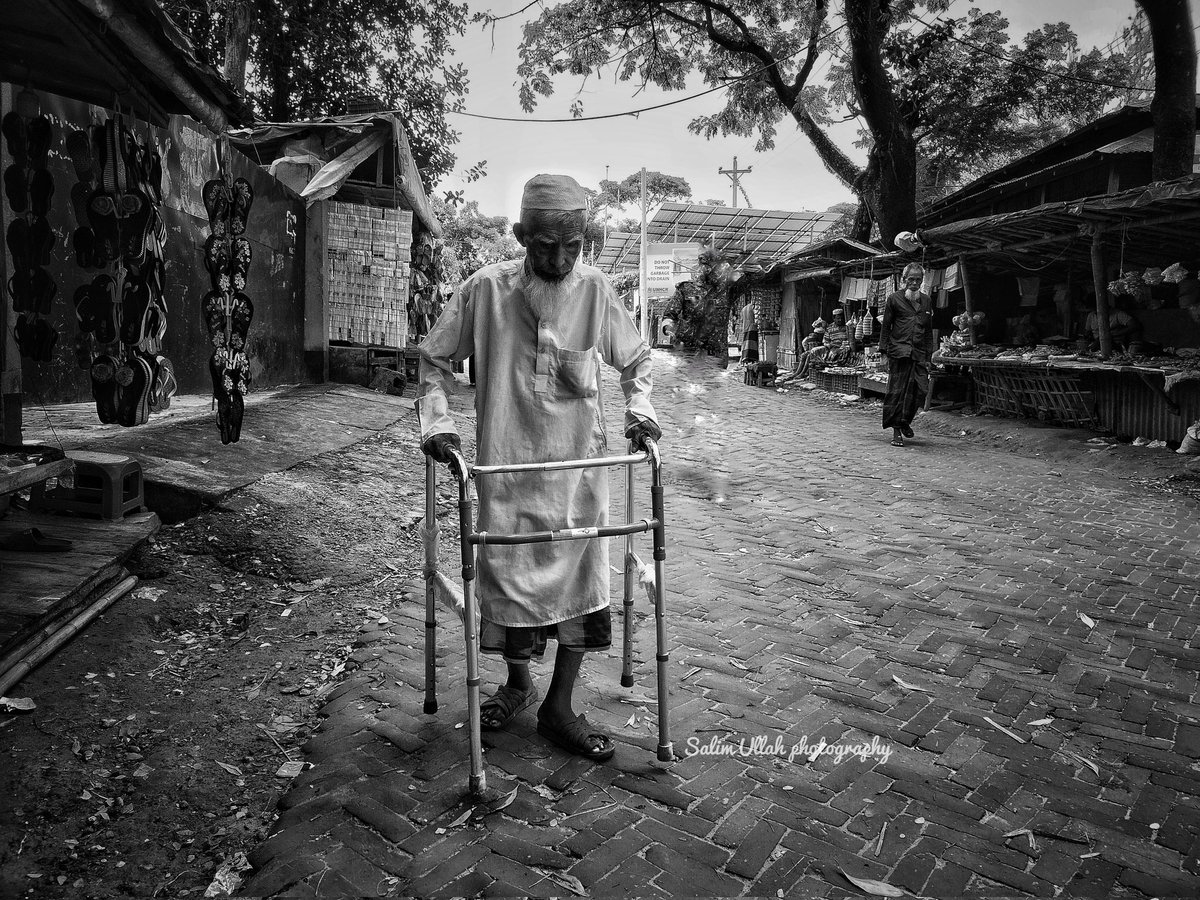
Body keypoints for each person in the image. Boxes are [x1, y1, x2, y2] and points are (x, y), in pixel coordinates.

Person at [417, 174, 661, 762]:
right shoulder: (486, 291)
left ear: (585, 240)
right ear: (522, 235)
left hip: (577, 476)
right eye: (544, 245)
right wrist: (438, 421)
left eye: (571, 247)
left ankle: (560, 703)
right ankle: (519, 684)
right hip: (506, 470)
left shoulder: (597, 291)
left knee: (583, 582)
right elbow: (432, 357)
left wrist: (640, 407)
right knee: (506, 583)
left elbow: (637, 360)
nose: (557, 260)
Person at [879, 262, 934, 447]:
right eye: (911, 279)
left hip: (918, 354)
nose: (914, 282)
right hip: (898, 351)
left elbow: (928, 331)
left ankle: (905, 422)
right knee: (897, 393)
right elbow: (886, 327)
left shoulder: (926, 301)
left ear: (922, 281)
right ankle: (896, 431)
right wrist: (884, 351)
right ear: (904, 280)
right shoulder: (894, 299)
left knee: (921, 390)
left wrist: (928, 357)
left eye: (918, 279)